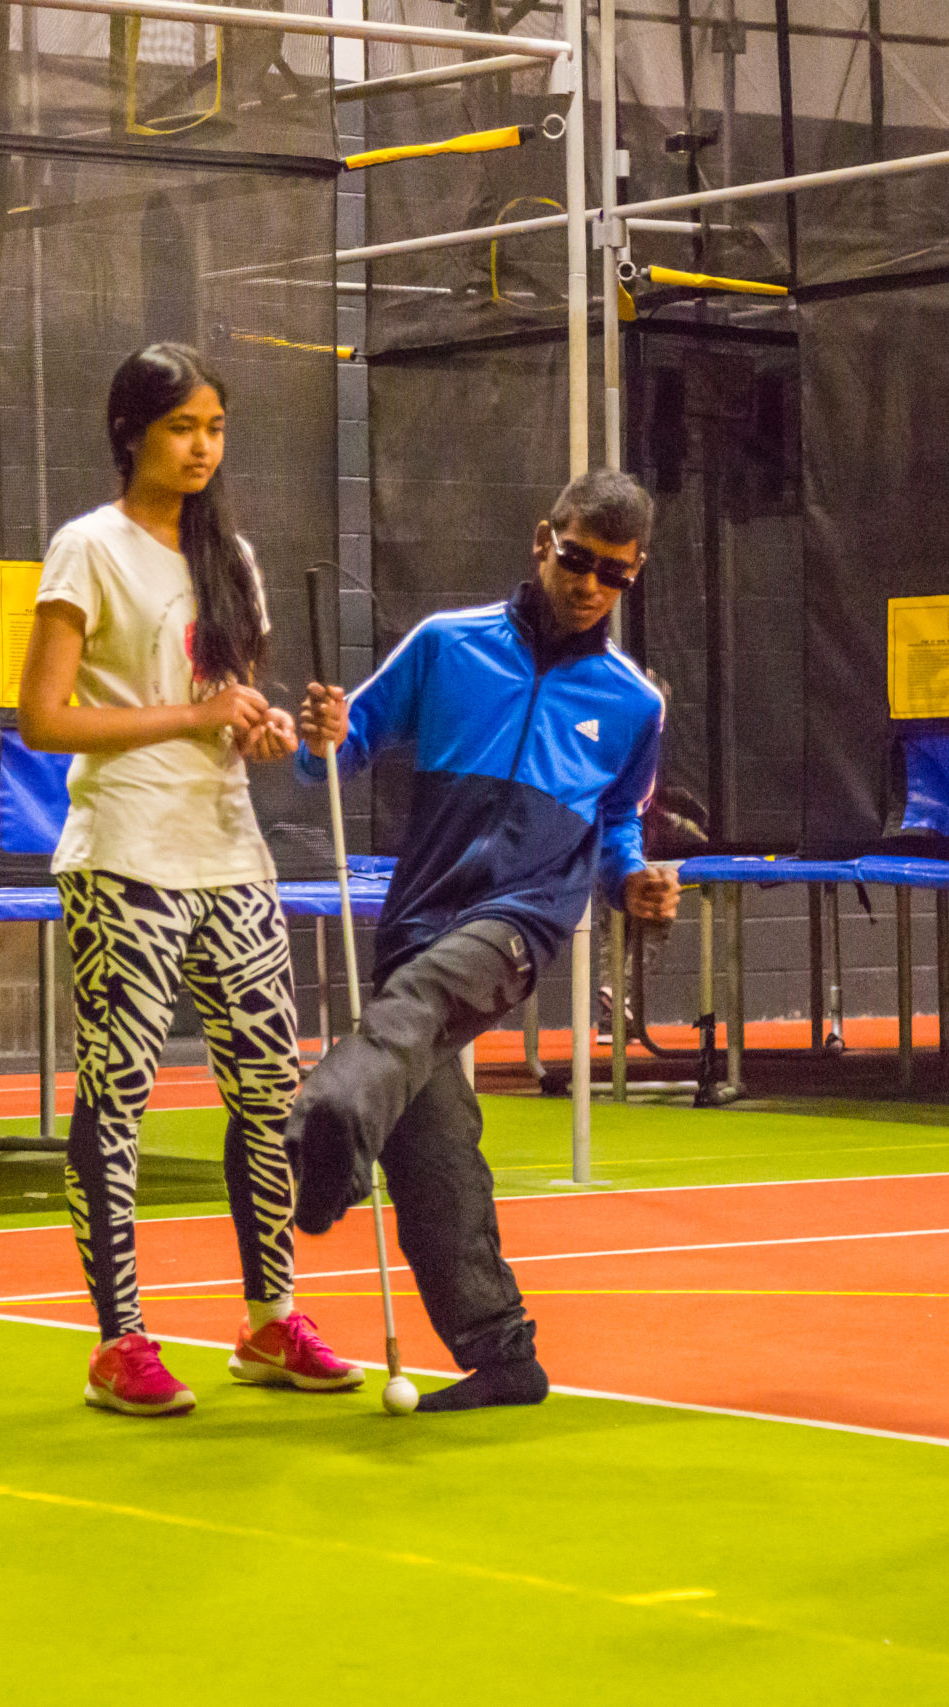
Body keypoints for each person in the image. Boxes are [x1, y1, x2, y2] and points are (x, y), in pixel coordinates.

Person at [289, 467, 681, 1414]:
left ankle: (332, 1116)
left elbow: (618, 820)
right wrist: (322, 733)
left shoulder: (634, 703)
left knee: (412, 1014)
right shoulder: (445, 646)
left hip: (522, 920)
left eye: (614, 575)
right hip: (420, 915)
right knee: (431, 1146)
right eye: (578, 560)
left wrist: (630, 877)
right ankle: (502, 1351)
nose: (590, 585)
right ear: (543, 539)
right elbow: (338, 752)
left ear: (633, 576)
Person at [16, 341, 359, 1416]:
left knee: (267, 1090)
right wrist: (197, 715)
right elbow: (43, 718)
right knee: (116, 1096)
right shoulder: (89, 548)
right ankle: (120, 1340)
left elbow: (235, 718)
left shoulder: (233, 559)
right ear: (132, 432)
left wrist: (281, 733)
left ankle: (269, 1318)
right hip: (125, 855)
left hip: (229, 856)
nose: (202, 446)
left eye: (215, 426)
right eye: (181, 427)